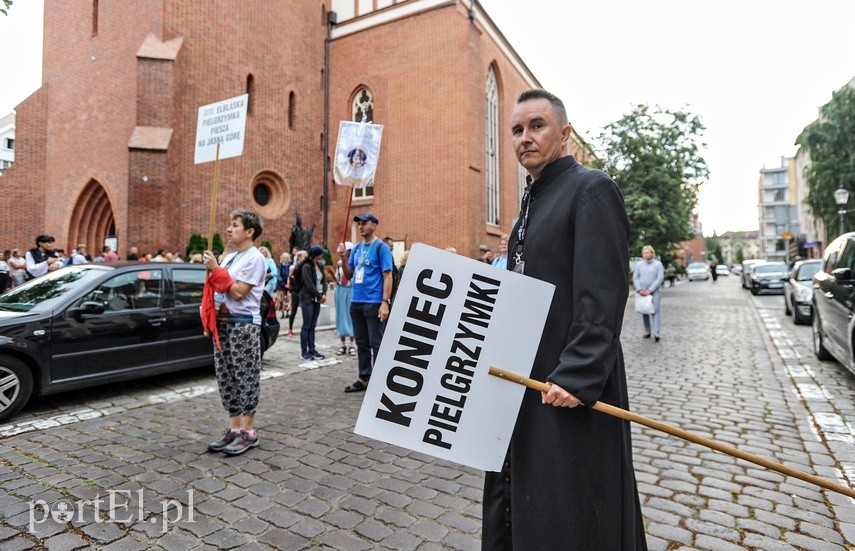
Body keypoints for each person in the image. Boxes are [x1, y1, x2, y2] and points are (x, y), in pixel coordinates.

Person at [482, 89, 647, 550]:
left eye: (537, 126)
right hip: (526, 380)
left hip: (567, 387)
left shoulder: (592, 189)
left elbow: (602, 293)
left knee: (572, 507)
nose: (525, 138)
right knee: (525, 497)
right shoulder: (529, 207)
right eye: (516, 130)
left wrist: (576, 373)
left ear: (565, 134)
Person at [201, 209, 267, 456]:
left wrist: (216, 269)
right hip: (223, 325)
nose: (229, 229)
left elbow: (238, 292)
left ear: (249, 231)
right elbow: (217, 287)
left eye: (235, 225)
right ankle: (234, 428)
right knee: (226, 377)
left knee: (245, 376)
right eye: (229, 224)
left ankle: (249, 432)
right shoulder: (229, 258)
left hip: (242, 324)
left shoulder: (255, 258)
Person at [337, 211, 393, 393]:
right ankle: (364, 377)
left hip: (374, 301)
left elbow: (387, 275)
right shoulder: (357, 248)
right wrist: (344, 258)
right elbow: (349, 275)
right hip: (357, 301)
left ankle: (379, 380)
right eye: (359, 223)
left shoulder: (380, 248)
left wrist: (385, 302)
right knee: (361, 342)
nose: (360, 226)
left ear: (374, 225)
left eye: (364, 223)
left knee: (376, 342)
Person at [298, 245, 328, 360]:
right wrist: (319, 295)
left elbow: (323, 280)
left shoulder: (319, 265)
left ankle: (312, 349)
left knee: (313, 325)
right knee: (307, 325)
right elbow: (309, 284)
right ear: (316, 255)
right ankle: (304, 351)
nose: (323, 255)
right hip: (307, 298)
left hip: (317, 299)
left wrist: (324, 293)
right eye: (321, 253)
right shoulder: (306, 266)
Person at [633, 245, 665, 342]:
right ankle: (647, 330)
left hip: (654, 292)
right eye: (644, 253)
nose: (646, 254)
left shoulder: (658, 264)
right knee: (645, 311)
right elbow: (636, 278)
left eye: (648, 252)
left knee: (655, 312)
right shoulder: (639, 265)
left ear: (652, 253)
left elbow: (659, 278)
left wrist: (650, 290)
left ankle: (656, 332)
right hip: (642, 292)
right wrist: (639, 289)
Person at [334, 242, 356, 355]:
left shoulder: (354, 263)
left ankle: (352, 344)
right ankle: (342, 344)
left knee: (351, 316)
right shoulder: (339, 263)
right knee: (341, 316)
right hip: (341, 290)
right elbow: (337, 276)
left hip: (351, 290)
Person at [275, 252, 292, 319]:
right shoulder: (279, 266)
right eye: (285, 257)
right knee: (281, 299)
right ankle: (282, 313)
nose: (286, 259)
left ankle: (288, 312)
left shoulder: (290, 266)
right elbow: (278, 276)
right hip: (281, 286)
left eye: (287, 257)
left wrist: (289, 283)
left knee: (288, 298)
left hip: (289, 285)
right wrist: (284, 284)